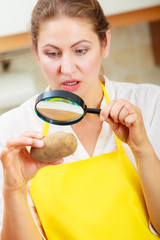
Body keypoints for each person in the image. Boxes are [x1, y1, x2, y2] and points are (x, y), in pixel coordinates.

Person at [0, 0, 160, 239]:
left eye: (81, 50)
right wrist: (14, 189)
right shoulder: (12, 130)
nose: (67, 68)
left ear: (104, 43)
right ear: (35, 52)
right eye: (52, 53)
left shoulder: (151, 103)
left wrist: (142, 149)